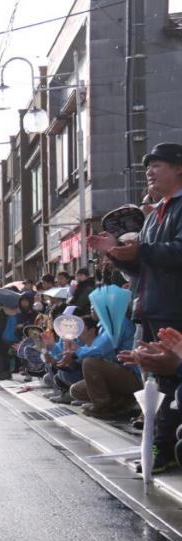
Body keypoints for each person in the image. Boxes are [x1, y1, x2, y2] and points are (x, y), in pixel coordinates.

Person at [97, 142, 182, 471]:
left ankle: (162, 447)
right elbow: (139, 270)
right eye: (148, 167)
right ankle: (156, 446)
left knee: (168, 382)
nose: (149, 171)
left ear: (179, 168)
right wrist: (116, 253)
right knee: (153, 384)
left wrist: (140, 251)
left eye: (158, 165)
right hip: (149, 308)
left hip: (172, 310)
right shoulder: (156, 214)